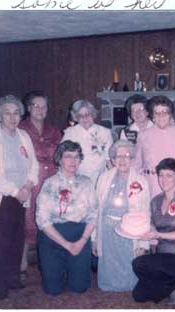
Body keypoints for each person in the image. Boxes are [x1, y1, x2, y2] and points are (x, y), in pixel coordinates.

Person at [0, 95, 39, 300]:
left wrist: (27, 185)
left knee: (16, 241)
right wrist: (16, 192)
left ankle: (12, 277)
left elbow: (33, 163)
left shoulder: (23, 136)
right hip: (1, 199)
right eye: (7, 113)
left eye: (16, 112)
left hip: (21, 196)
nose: (12, 117)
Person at [35, 140, 97, 295]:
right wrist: (66, 245)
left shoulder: (87, 183)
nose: (73, 161)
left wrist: (82, 241)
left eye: (77, 157)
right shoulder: (50, 184)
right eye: (68, 156)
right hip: (53, 238)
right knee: (53, 290)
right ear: (60, 159)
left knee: (79, 288)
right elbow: (42, 220)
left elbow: (93, 214)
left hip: (79, 237)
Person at [132, 158, 175, 304]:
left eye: (169, 175)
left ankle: (174, 281)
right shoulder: (155, 201)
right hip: (162, 254)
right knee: (138, 295)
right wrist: (141, 240)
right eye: (161, 175)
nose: (163, 179)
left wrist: (158, 235)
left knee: (139, 264)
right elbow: (152, 226)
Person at [94, 140, 150, 291]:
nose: (122, 160)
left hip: (129, 231)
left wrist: (143, 245)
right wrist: (94, 238)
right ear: (112, 160)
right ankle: (108, 285)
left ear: (132, 159)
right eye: (118, 157)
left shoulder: (141, 181)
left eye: (126, 156)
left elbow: (145, 213)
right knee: (108, 266)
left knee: (129, 269)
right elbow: (96, 210)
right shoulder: (103, 178)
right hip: (106, 230)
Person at [18, 90, 62, 273]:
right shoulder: (20, 129)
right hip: (29, 181)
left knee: (51, 220)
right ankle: (21, 265)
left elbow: (61, 156)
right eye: (35, 105)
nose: (40, 109)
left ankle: (51, 264)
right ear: (28, 108)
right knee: (25, 221)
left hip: (51, 182)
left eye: (43, 106)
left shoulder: (55, 131)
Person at [134, 95, 175, 198]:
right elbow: (137, 164)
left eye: (165, 112)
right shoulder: (143, 135)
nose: (161, 116)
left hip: (174, 186)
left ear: (170, 115)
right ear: (152, 116)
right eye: (157, 113)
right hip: (150, 185)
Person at [62, 99, 113, 185]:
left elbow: (109, 159)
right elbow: (63, 158)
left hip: (101, 179)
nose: (84, 118)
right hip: (77, 178)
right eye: (80, 115)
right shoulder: (70, 133)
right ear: (76, 118)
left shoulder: (105, 132)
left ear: (93, 114)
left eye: (87, 114)